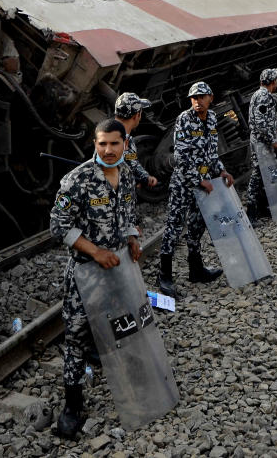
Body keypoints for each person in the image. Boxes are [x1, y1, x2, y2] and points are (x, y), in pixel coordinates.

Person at [49, 118, 141, 438]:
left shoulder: (127, 174)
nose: (108, 150)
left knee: (121, 324)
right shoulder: (77, 180)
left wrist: (131, 238)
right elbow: (58, 226)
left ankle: (126, 380)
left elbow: (128, 213)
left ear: (125, 144)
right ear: (95, 145)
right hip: (85, 274)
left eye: (115, 143)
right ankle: (72, 406)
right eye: (102, 144)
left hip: (117, 268)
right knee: (75, 337)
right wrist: (96, 252)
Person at [158, 81, 233, 296]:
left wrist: (221, 171)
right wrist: (199, 179)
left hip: (203, 183)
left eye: (201, 97)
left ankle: (196, 269)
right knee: (174, 226)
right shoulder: (184, 119)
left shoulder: (211, 118)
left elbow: (211, 152)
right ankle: (165, 275)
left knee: (197, 226)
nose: (197, 101)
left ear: (210, 98)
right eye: (193, 98)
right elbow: (180, 156)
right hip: (184, 183)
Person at [244, 68, 277, 221]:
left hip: (261, 141)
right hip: (261, 143)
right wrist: (272, 141)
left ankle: (262, 209)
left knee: (264, 175)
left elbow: (267, 120)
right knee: (257, 175)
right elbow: (261, 124)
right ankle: (251, 214)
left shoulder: (260, 94)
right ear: (272, 82)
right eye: (276, 79)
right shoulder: (264, 97)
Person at [114, 92, 159, 190]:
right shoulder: (115, 140)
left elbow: (131, 161)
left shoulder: (123, 138)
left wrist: (146, 177)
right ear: (136, 116)